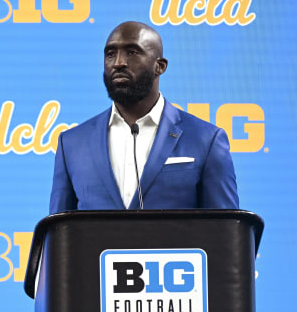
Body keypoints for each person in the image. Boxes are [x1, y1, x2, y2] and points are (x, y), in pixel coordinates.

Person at [49, 21, 239, 214]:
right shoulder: (71, 144)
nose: (118, 63)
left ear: (160, 66)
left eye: (132, 52)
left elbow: (226, 234)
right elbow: (57, 236)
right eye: (110, 54)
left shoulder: (207, 140)